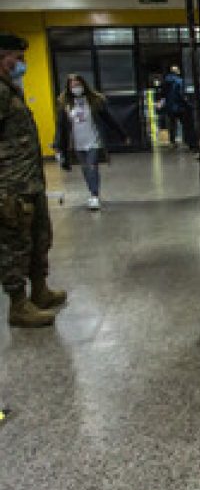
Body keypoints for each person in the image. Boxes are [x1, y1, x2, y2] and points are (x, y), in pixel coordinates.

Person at [0, 32, 66, 328]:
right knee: (15, 244)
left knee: (40, 237)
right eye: (18, 58)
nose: (22, 64)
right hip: (10, 185)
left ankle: (39, 291)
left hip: (30, 182)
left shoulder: (11, 89)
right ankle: (18, 305)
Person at [54, 74, 131, 211]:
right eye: (72, 85)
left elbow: (109, 119)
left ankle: (94, 196)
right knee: (85, 169)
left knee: (92, 166)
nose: (75, 88)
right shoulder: (65, 105)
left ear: (84, 85)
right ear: (68, 88)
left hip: (94, 140)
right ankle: (92, 192)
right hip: (77, 143)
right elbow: (61, 127)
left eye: (78, 84)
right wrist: (58, 145)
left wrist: (122, 135)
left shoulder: (95, 101)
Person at [158, 65, 196, 150]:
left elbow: (162, 94)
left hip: (170, 107)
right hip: (180, 107)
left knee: (172, 125)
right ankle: (186, 141)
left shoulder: (165, 81)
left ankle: (172, 141)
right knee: (185, 124)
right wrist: (187, 103)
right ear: (177, 72)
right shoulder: (180, 81)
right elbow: (181, 94)